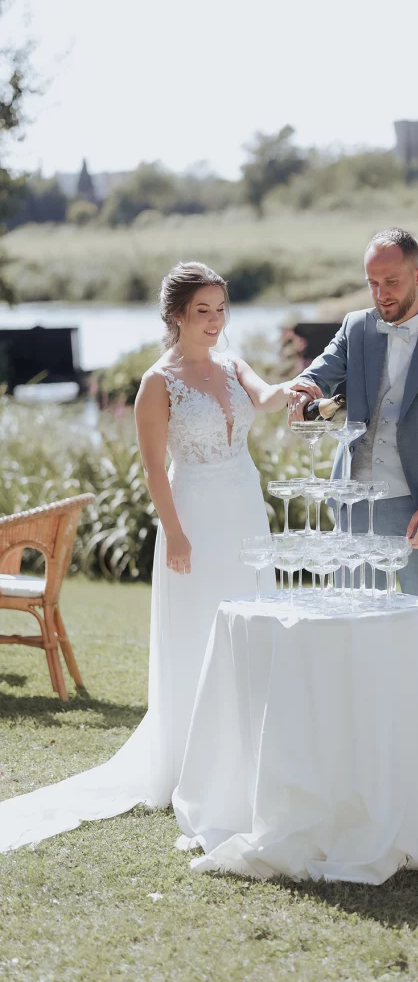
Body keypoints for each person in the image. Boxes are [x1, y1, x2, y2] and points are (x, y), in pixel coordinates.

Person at [0, 261, 313, 852]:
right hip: (193, 514)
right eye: (204, 311)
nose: (216, 321)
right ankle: (193, 762)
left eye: (221, 309)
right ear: (176, 315)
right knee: (201, 629)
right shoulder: (156, 382)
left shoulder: (229, 363)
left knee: (252, 619)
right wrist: (176, 533)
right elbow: (151, 467)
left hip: (246, 509)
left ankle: (251, 751)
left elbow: (267, 400)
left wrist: (296, 388)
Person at [290, 228, 418, 637]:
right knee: (352, 628)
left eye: (391, 282)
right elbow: (318, 374)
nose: (381, 294)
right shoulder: (355, 328)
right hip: (352, 508)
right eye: (372, 284)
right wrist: (304, 390)